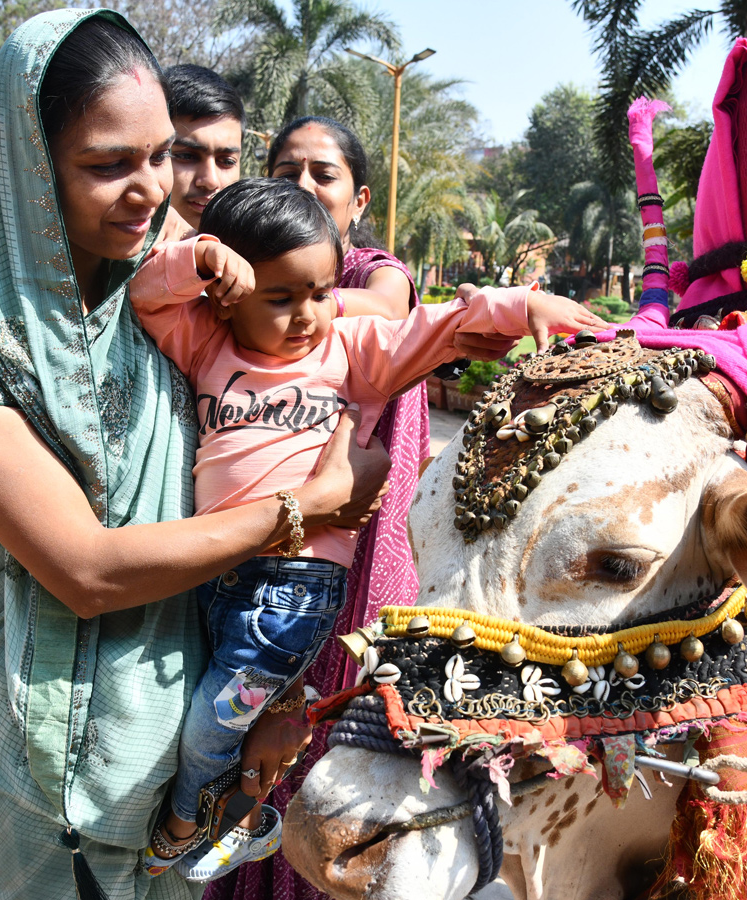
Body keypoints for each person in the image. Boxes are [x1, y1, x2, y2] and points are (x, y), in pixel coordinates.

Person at [0, 10, 389, 900]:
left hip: (188, 746)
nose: (151, 188)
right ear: (27, 164)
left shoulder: (174, 290)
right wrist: (307, 508)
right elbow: (85, 570)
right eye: (106, 164)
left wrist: (273, 698)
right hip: (57, 771)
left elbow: (302, 383)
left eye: (159, 153)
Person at [129, 176, 604, 882]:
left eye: (321, 292)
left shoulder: (348, 349)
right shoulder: (205, 343)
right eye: (281, 298)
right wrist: (196, 258)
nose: (308, 315)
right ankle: (246, 812)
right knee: (209, 713)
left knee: (212, 720)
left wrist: (521, 305)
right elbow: (146, 296)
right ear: (228, 296)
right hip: (218, 573)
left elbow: (436, 326)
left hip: (293, 588)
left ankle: (191, 822)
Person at [164, 65, 245, 235]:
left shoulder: (256, 256)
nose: (210, 181)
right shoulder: (106, 256)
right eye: (187, 156)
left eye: (227, 161)